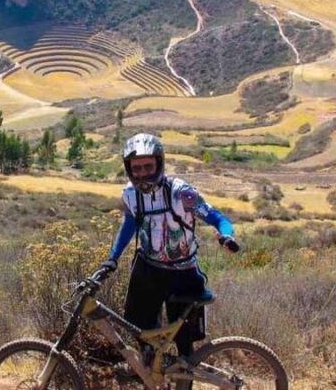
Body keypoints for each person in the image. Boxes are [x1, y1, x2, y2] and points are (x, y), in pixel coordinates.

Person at [92, 133, 240, 365]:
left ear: (159, 164)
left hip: (183, 272)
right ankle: (152, 373)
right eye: (136, 168)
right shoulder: (131, 195)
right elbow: (130, 223)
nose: (142, 173)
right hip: (148, 270)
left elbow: (217, 218)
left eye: (148, 166)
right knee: (137, 326)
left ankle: (183, 379)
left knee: (184, 340)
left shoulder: (181, 193)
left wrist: (227, 235)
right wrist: (113, 258)